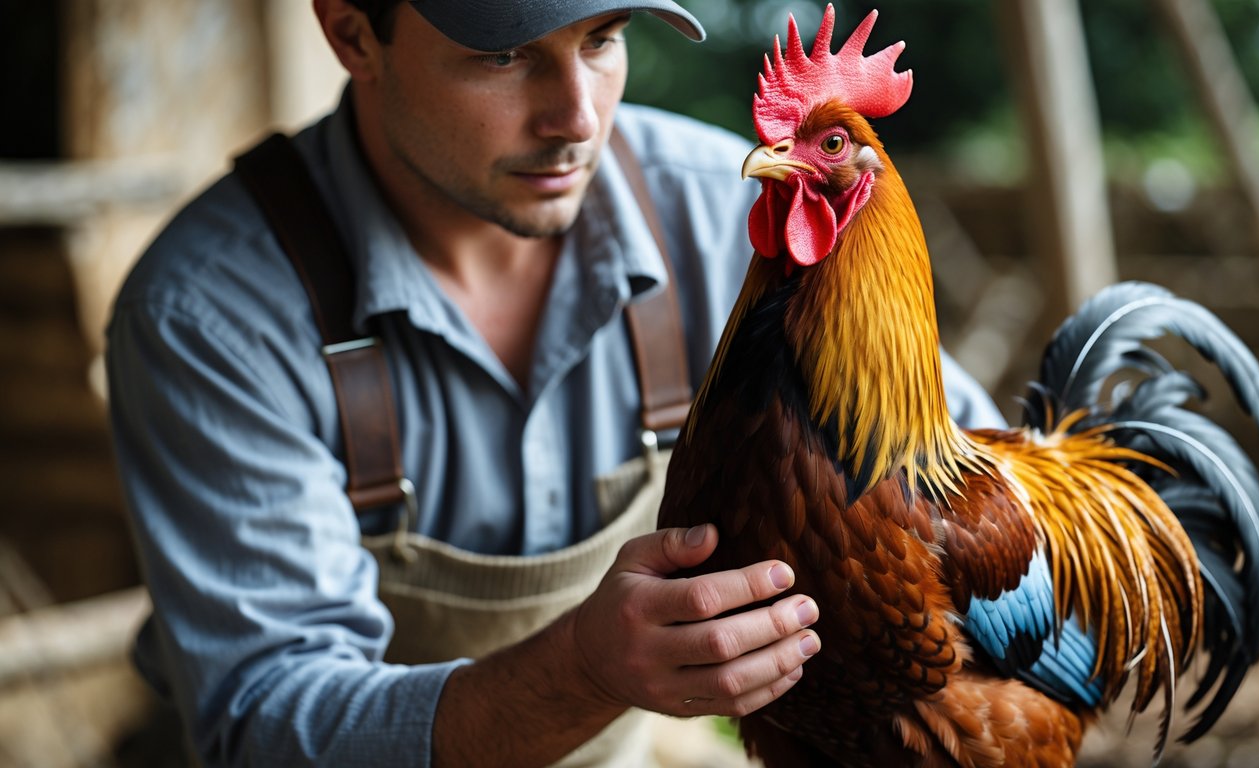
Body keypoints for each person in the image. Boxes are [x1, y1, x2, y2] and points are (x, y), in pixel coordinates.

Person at [105, 1, 1007, 766]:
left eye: (602, 38)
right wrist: (580, 672)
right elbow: (265, 719)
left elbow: (983, 507)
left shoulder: (715, 207)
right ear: (351, 35)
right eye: (502, 55)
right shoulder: (211, 313)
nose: (576, 116)